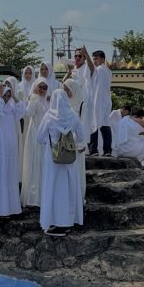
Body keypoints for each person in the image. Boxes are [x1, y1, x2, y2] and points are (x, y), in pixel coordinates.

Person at [36, 87, 85, 236]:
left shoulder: (49, 116)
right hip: (69, 158)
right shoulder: (73, 115)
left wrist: (51, 140)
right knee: (68, 188)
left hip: (53, 156)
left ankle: (56, 222)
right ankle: (67, 221)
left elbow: (39, 138)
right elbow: (81, 136)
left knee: (53, 187)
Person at [0, 82, 26, 220]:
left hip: (9, 147)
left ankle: (9, 208)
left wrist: (14, 96)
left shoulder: (11, 108)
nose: (6, 98)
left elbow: (22, 110)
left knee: (8, 174)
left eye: (8, 96)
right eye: (5, 95)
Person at [21, 78, 50, 206]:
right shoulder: (34, 99)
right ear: (35, 87)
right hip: (35, 133)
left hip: (46, 135)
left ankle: (44, 194)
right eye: (40, 87)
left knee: (43, 162)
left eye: (45, 87)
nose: (42, 90)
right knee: (34, 161)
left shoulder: (48, 100)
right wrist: (34, 99)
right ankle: (33, 196)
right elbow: (28, 113)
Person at [63, 77, 88, 199]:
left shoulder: (82, 105)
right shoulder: (65, 104)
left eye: (68, 89)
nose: (66, 92)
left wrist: (81, 143)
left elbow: (84, 125)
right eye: (65, 89)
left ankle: (78, 196)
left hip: (77, 143)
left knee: (77, 169)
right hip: (66, 142)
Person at [88, 50, 113, 156]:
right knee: (104, 124)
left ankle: (93, 149)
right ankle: (107, 150)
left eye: (96, 58)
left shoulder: (100, 69)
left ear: (102, 59)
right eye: (93, 59)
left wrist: (86, 54)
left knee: (94, 123)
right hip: (104, 101)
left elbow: (91, 69)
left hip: (99, 101)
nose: (94, 61)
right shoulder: (107, 70)